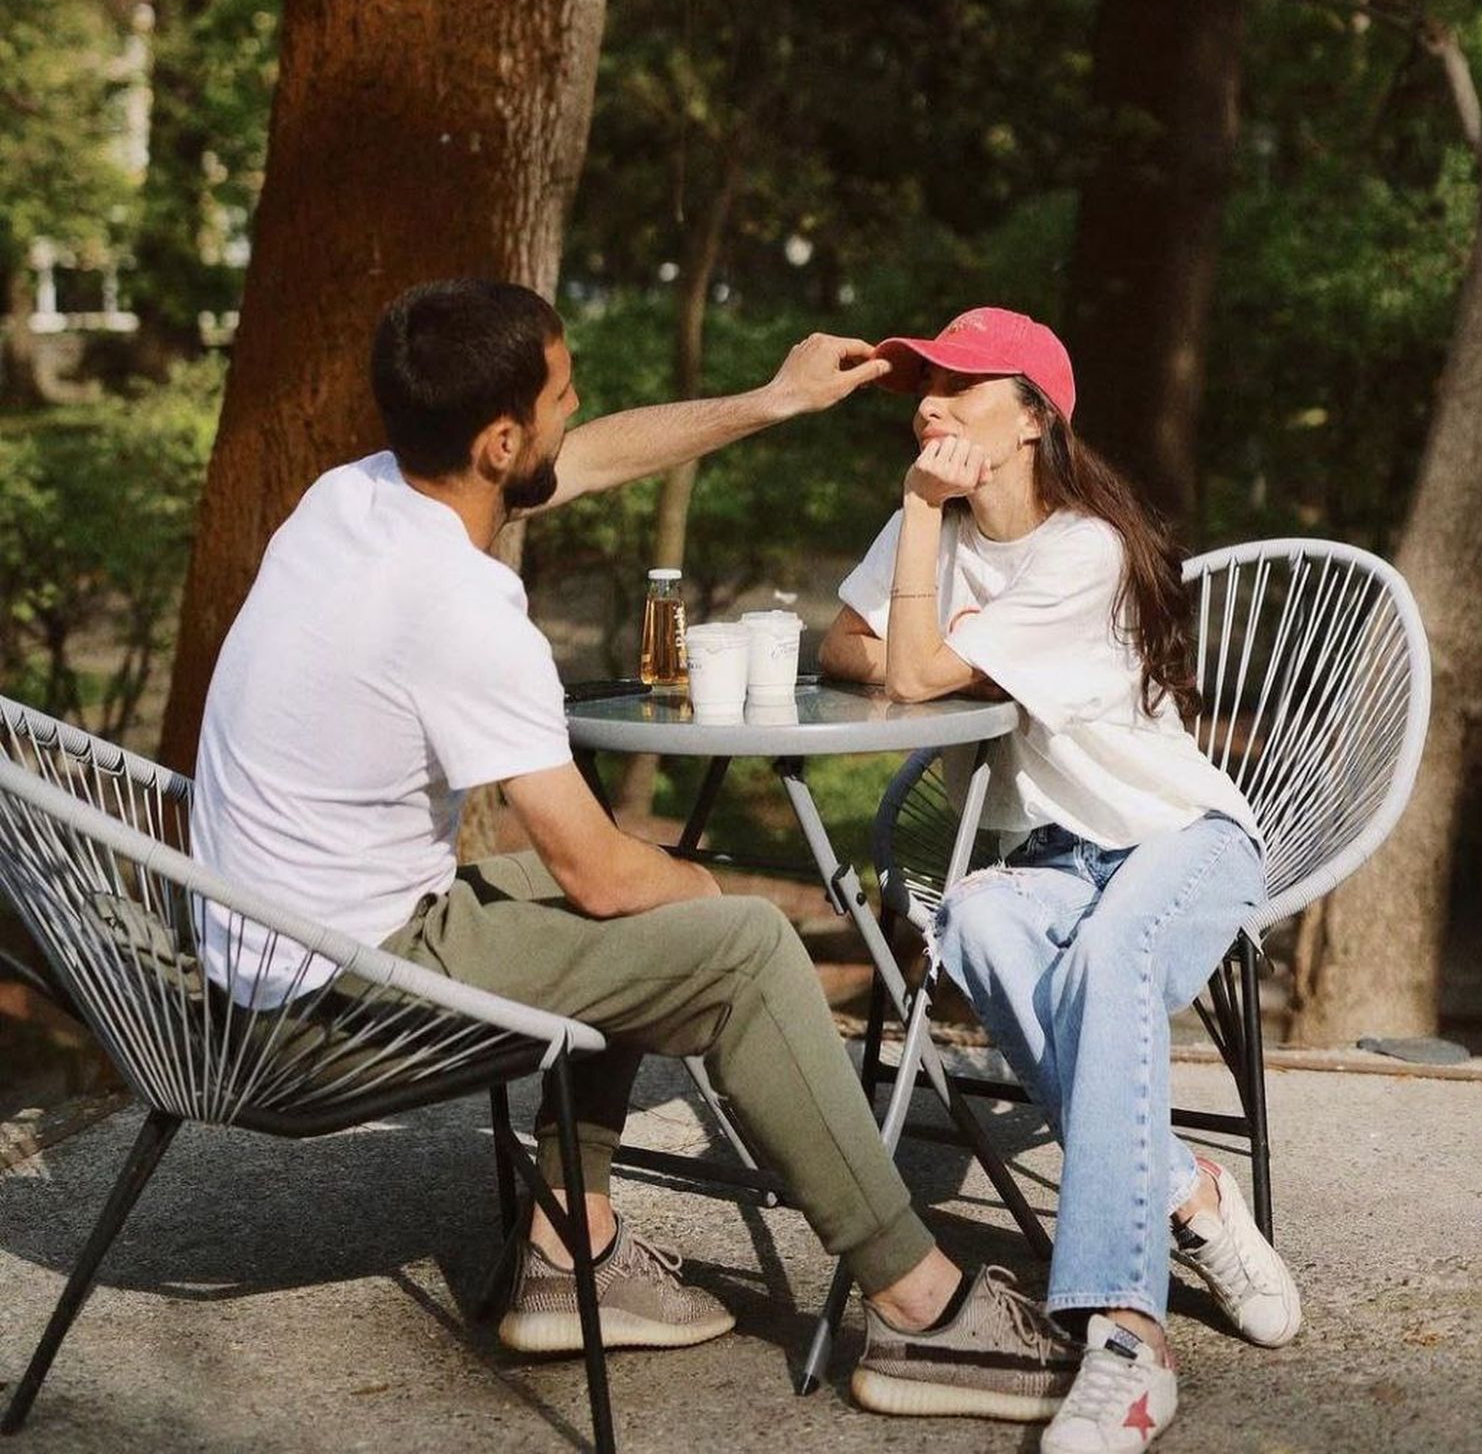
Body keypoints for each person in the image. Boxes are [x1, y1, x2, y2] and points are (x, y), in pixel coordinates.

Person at [191, 277, 1081, 1421]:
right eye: (562, 395)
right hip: (328, 1008)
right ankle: (922, 1309)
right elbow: (598, 876)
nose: (578, 411)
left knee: (643, 907)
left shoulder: (351, 497)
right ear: (500, 440)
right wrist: (705, 893)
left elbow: (589, 458)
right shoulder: (458, 603)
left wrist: (771, 398)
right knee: (732, 939)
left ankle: (572, 1247)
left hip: (269, 946)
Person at [820, 306, 1302, 1452]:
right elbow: (847, 646)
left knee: (1109, 957)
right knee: (977, 915)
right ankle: (1188, 1191)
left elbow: (914, 668)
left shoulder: (1081, 548)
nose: (931, 401)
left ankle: (1127, 1338)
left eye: (961, 382)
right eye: (925, 380)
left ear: (1033, 417)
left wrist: (930, 614)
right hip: (1056, 855)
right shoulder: (931, 523)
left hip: (1181, 836)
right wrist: (926, 570)